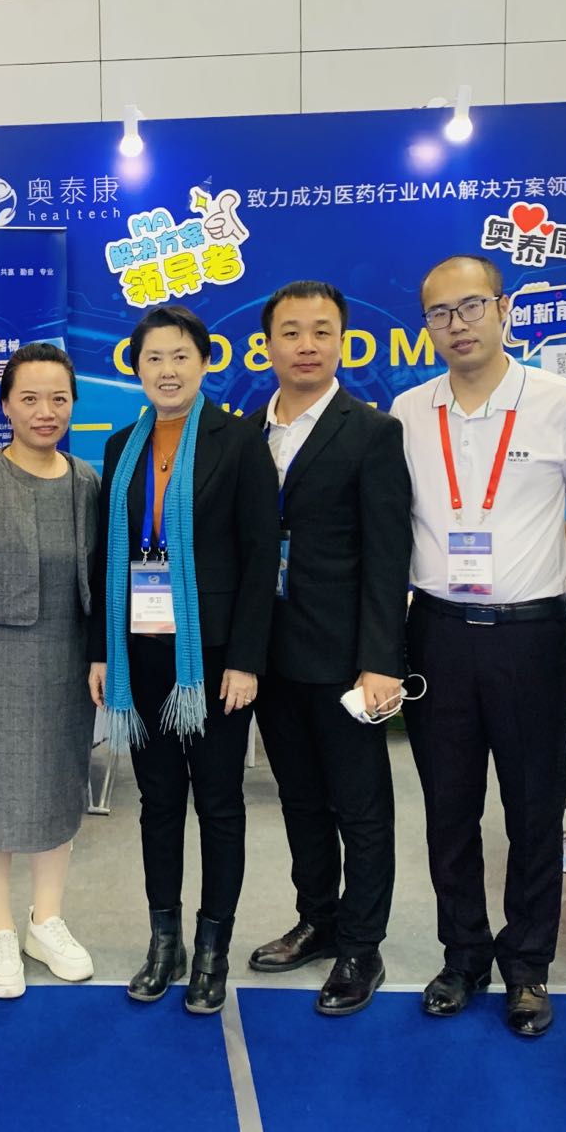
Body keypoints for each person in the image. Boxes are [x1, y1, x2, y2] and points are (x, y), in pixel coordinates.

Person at [390, 254, 566, 1038]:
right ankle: (462, 956)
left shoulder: (561, 403)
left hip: (530, 633)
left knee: (532, 807)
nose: (457, 324)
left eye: (472, 306)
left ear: (504, 308)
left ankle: (527, 965)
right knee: (448, 808)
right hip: (438, 632)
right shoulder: (408, 410)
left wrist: (554, 563)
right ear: (427, 325)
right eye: (439, 313)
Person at [88, 304, 277, 1015]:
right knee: (158, 803)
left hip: (215, 658)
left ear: (204, 361)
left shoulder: (239, 439)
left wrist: (248, 659)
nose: (166, 370)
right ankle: (163, 940)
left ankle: (211, 949)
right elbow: (102, 557)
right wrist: (101, 652)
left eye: (179, 356)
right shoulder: (121, 446)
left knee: (220, 803)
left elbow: (261, 555)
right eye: (153, 358)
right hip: (139, 652)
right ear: (136, 367)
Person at [244, 282, 413, 1016]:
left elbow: (388, 554)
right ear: (268, 346)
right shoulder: (248, 432)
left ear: (342, 341)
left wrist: (382, 661)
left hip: (346, 660)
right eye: (290, 332)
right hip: (269, 654)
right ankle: (317, 919)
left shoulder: (371, 431)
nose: (306, 344)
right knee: (299, 798)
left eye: (321, 331)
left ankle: (361, 945)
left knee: (361, 807)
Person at [0, 343, 101, 999]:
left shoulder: (87, 482)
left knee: (59, 792)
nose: (45, 411)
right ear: (5, 405)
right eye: (29, 398)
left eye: (58, 398)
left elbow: (102, 586)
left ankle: (46, 921)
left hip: (66, 664)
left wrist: (102, 659)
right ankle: (0, 930)